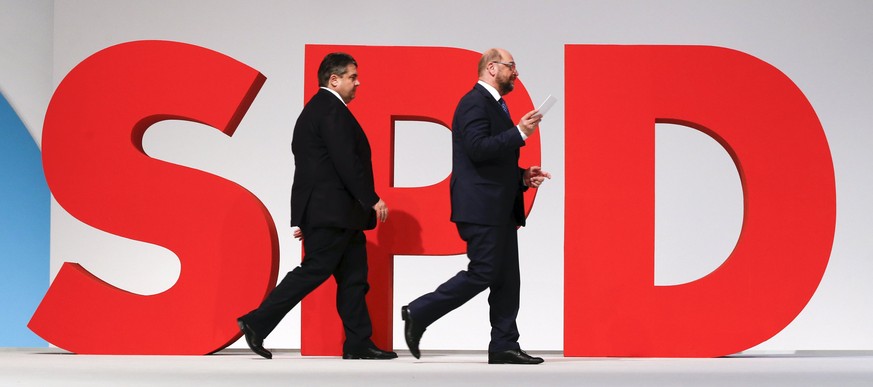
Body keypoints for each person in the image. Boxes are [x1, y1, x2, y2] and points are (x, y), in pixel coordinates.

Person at [237, 52, 396, 360]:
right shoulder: (329, 110)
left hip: (337, 214)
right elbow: (345, 163)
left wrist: (306, 217)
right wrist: (371, 199)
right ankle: (256, 322)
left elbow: (312, 167)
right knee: (315, 271)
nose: (357, 82)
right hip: (333, 213)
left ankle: (358, 343)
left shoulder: (321, 110)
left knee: (354, 279)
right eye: (352, 77)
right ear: (333, 79)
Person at [401, 48, 551, 364]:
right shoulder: (473, 103)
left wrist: (522, 177)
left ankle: (504, 345)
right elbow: (477, 149)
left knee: (508, 279)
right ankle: (420, 311)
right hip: (482, 208)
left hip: (498, 207)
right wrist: (520, 132)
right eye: (512, 66)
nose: (516, 72)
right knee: (484, 271)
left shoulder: (496, 105)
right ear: (492, 67)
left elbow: (491, 162)